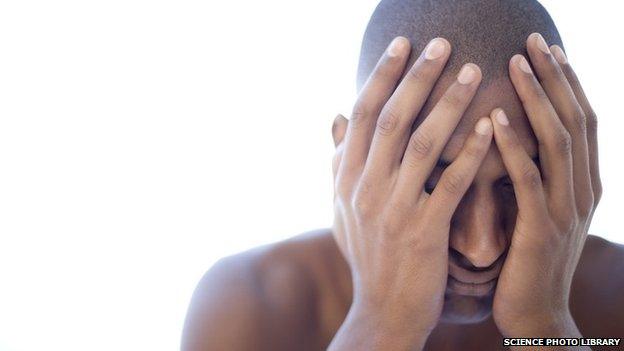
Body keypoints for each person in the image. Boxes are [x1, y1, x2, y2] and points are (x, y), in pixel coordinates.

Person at [181, 1, 624, 350]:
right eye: (432, 183)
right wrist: (383, 322)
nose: (482, 249)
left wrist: (543, 325)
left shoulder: (616, 297)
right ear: (348, 160)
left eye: (520, 182)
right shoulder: (253, 307)